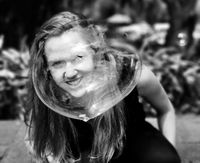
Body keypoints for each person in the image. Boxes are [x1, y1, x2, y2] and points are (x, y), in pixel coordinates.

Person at [25, 11, 181, 163]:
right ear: (47, 68)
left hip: (132, 142)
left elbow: (166, 110)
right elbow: (34, 137)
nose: (70, 73)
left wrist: (169, 149)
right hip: (83, 152)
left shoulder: (132, 76)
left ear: (95, 53)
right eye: (57, 63)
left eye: (78, 57)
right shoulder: (47, 92)